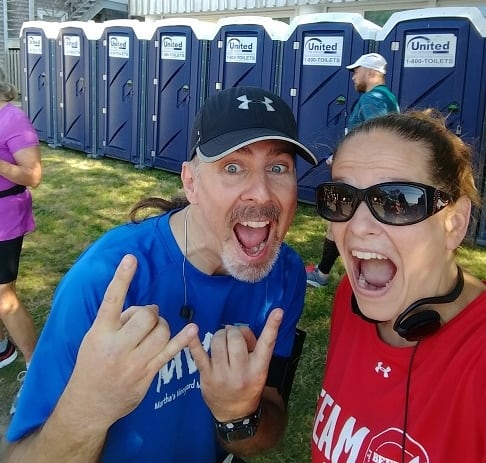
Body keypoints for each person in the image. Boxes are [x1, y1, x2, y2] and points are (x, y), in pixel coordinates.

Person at [5, 86, 318, 463]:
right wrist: (90, 408)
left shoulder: (285, 274)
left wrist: (239, 416)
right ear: (191, 183)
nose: (262, 193)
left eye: (278, 167)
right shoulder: (107, 280)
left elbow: (268, 424)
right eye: (233, 167)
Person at [311, 110, 485, 462]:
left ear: (454, 223)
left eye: (398, 200)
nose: (358, 226)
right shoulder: (350, 296)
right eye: (341, 198)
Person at [307, 53, 399, 288]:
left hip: (363, 176)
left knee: (338, 219)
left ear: (371, 72)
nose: (353, 77)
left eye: (356, 71)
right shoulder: (386, 97)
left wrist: (344, 160)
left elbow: (376, 139)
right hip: (368, 174)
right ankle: (333, 272)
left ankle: (324, 275)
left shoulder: (373, 99)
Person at [0, 79, 41, 376]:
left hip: (5, 213)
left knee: (4, 295)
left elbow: (33, 175)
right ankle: (3, 348)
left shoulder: (12, 118)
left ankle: (37, 365)